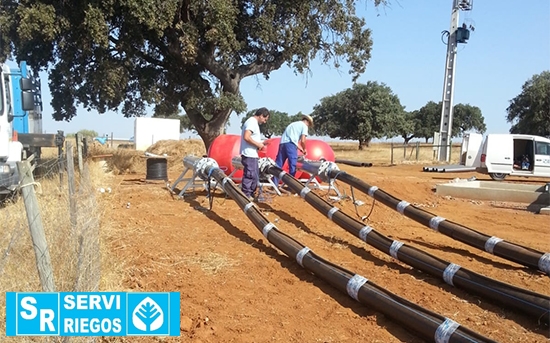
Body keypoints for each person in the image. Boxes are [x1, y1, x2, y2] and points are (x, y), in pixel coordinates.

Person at [273, 115, 314, 187]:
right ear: (307, 122)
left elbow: (292, 139)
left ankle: (274, 184)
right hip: (291, 145)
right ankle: (291, 185)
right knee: (293, 165)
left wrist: (300, 148)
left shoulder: (293, 124)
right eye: (309, 124)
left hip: (282, 143)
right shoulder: (304, 126)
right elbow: (303, 140)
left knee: (278, 165)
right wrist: (304, 149)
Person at [239, 107, 270, 201]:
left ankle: (251, 194)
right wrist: (258, 144)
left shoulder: (253, 123)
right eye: (265, 119)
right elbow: (246, 137)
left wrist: (262, 143)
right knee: (250, 175)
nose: (264, 122)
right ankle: (246, 196)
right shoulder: (251, 122)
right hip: (249, 154)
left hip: (252, 154)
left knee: (254, 175)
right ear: (261, 115)